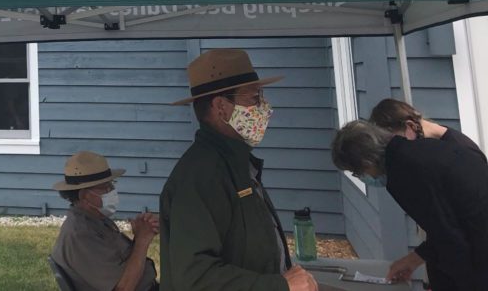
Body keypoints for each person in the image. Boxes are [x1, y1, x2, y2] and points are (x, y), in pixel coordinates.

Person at [160, 48, 317, 291]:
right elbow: (194, 278)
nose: (264, 108)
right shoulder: (202, 176)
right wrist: (278, 285)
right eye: (253, 98)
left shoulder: (234, 162)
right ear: (221, 107)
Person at [331, 119, 488, 290]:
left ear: (366, 163)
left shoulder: (403, 173)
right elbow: (444, 225)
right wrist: (414, 259)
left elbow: (450, 238)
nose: (361, 176)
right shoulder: (420, 149)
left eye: (357, 172)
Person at [368, 98, 487, 282]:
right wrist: (416, 259)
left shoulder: (459, 151)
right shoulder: (428, 161)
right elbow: (442, 227)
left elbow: (463, 231)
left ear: (410, 126)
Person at [51, 151, 159, 291]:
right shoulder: (81, 234)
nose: (112, 191)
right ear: (84, 195)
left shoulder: (95, 219)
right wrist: (142, 241)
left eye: (112, 185)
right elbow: (123, 288)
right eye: (105, 188)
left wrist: (140, 234)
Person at [369, 98, 485, 160]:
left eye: (396, 141)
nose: (396, 147)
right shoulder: (430, 147)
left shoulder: (461, 150)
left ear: (410, 126)